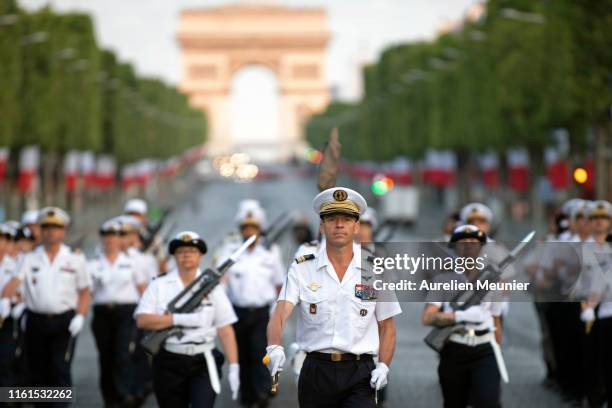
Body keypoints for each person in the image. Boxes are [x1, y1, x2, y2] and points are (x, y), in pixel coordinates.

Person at [267, 187, 402, 407]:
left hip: (360, 372)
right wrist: (274, 346)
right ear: (322, 226)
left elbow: (387, 325)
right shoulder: (303, 268)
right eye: (332, 219)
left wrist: (384, 366)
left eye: (347, 219)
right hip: (316, 370)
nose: (339, 225)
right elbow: (281, 313)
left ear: (356, 226)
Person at [135, 231, 240, 408]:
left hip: (203, 361)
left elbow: (225, 329)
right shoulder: (159, 285)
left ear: (200, 255)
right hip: (169, 360)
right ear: (174, 256)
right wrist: (178, 319)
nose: (186, 255)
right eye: (181, 251)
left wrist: (234, 366)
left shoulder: (213, 288)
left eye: (192, 250)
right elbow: (142, 320)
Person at [0, 207, 91, 402]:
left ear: (63, 231)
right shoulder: (29, 258)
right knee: (38, 373)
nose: (51, 232)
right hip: (36, 321)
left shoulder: (75, 258)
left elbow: (84, 290)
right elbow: (13, 283)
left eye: (56, 227)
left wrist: (81, 315)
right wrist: (6, 300)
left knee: (60, 370)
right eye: (46, 227)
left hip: (63, 320)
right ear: (40, 230)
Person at [422, 224, 505, 408]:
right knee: (454, 402)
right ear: (455, 248)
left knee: (489, 402)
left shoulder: (492, 280)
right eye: (463, 243)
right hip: (454, 349)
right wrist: (457, 316)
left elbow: (496, 320)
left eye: (474, 243)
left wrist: (497, 353)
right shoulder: (442, 280)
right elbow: (427, 317)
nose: (468, 247)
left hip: (485, 349)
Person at [218, 201, 284, 408]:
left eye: (253, 228)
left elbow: (279, 282)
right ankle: (247, 396)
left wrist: (277, 310)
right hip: (237, 311)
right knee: (242, 354)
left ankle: (262, 391)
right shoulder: (230, 251)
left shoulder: (270, 252)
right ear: (240, 230)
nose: (249, 232)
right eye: (245, 228)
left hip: (262, 311)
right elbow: (222, 282)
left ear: (259, 229)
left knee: (259, 352)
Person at [89, 218, 147, 407]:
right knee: (105, 357)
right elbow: (86, 291)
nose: (111, 240)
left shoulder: (132, 262)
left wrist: (145, 314)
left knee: (122, 354)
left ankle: (125, 394)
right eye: (107, 236)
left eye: (114, 236)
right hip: (102, 312)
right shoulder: (94, 263)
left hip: (126, 312)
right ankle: (110, 398)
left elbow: (142, 289)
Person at [0, 224, 18, 388]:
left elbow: (22, 293)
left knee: (5, 360)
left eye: (2, 239)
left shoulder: (15, 266)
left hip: (8, 318)